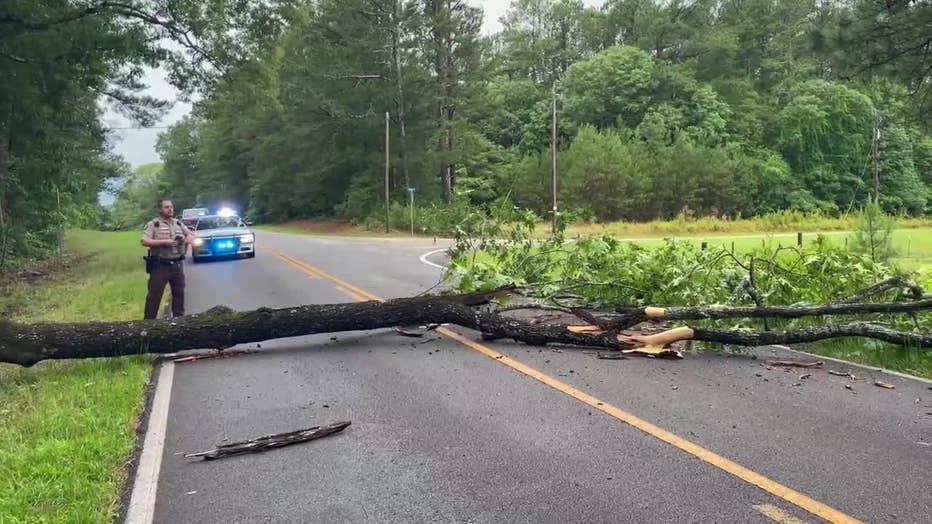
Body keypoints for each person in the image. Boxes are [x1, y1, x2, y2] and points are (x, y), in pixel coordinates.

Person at [141, 198, 195, 319]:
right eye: (166, 207)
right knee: (154, 296)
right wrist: (164, 242)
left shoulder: (178, 223)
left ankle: (179, 322)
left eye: (171, 207)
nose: (170, 209)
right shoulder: (154, 224)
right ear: (160, 209)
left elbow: (191, 235)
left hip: (177, 264)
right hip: (160, 264)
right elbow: (144, 241)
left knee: (179, 294)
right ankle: (149, 324)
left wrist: (188, 239)